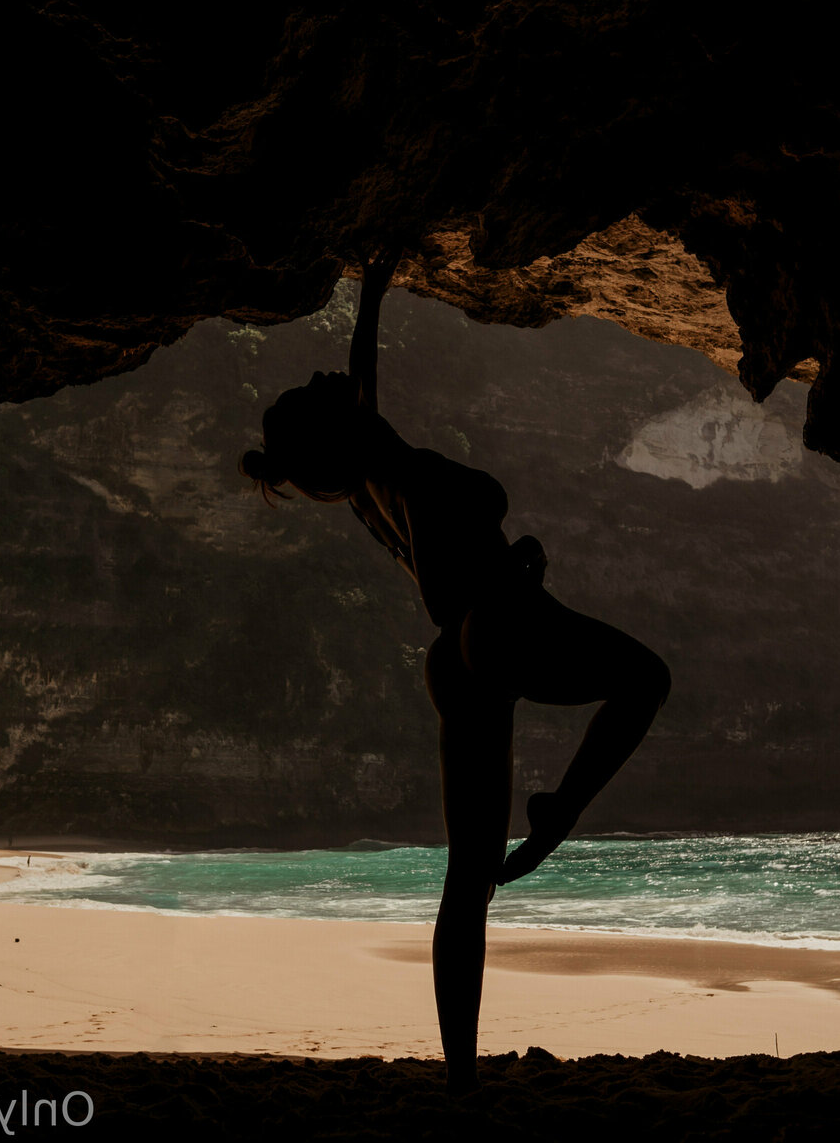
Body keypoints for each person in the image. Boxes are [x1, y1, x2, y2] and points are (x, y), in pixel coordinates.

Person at [241, 250, 671, 1092]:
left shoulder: (364, 471)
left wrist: (375, 285)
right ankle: (559, 811)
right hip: (491, 621)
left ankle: (462, 1077)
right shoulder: (397, 472)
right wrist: (519, 571)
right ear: (331, 426)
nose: (329, 375)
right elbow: (445, 585)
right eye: (317, 389)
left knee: (468, 879)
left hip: (459, 659)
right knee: (645, 679)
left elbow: (362, 377)